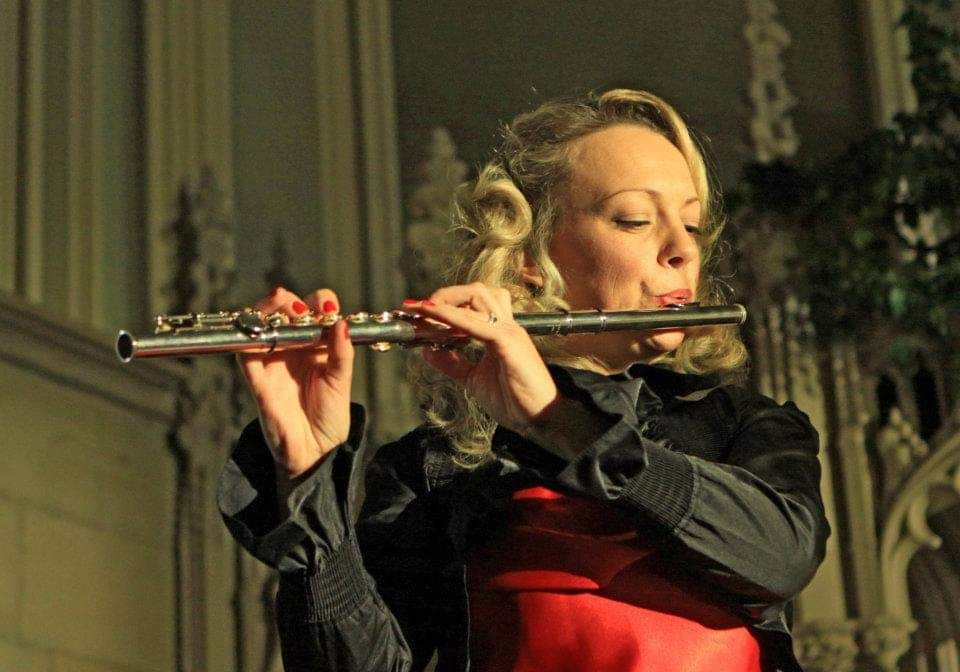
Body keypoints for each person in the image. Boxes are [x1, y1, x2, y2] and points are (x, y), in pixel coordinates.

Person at [218, 89, 829, 672]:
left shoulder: (746, 428)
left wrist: (557, 421)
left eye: (692, 226)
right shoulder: (436, 470)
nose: (681, 250)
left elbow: (779, 558)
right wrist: (308, 475)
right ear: (530, 259)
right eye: (635, 219)